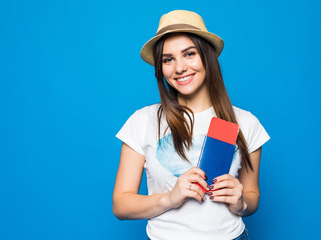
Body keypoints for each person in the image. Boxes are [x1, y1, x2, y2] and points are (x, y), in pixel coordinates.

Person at [113, 10, 270, 240]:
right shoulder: (142, 121)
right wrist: (170, 197)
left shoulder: (246, 123)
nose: (179, 68)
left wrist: (241, 203)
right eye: (168, 59)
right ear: (160, 67)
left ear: (207, 56)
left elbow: (252, 195)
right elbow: (121, 205)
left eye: (189, 54)